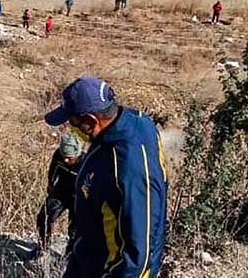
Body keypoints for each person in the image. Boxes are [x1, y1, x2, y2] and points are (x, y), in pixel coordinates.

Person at [44, 76, 168, 278]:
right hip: (87, 257)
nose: (70, 127)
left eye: (73, 121)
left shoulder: (129, 169)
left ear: (91, 121)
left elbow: (138, 255)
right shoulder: (136, 122)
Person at [36, 133, 85, 256]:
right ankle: (43, 247)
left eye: (69, 158)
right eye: (64, 156)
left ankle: (69, 255)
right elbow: (53, 169)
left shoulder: (86, 162)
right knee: (44, 217)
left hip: (78, 196)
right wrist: (50, 183)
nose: (66, 160)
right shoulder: (58, 155)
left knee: (75, 229)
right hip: (60, 191)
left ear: (77, 154)